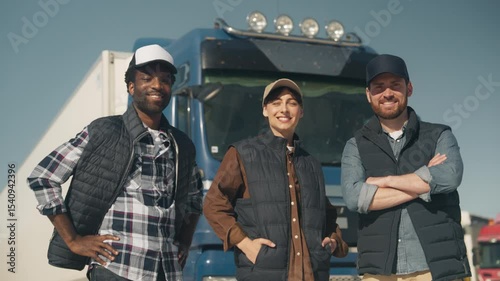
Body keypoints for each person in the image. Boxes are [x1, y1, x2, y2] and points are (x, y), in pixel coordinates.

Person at [27, 44, 203, 281]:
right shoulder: (104, 131)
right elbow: (44, 177)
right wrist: (73, 240)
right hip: (117, 267)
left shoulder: (182, 144)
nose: (157, 86)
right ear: (131, 87)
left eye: (165, 80)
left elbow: (194, 200)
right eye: (147, 78)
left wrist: (184, 241)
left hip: (167, 271)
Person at [340, 54, 470, 281]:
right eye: (379, 87)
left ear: (409, 88)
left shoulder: (439, 135)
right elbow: (354, 198)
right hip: (380, 273)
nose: (387, 93)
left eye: (395, 85)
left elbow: (449, 177)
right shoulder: (355, 146)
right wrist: (423, 181)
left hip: (438, 270)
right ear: (368, 95)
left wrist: (384, 181)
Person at [203, 78, 348, 281]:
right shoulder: (243, 153)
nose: (284, 109)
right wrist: (246, 245)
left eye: (292, 103)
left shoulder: (311, 163)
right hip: (263, 274)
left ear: (301, 111)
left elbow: (326, 214)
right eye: (276, 102)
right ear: (265, 110)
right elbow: (213, 204)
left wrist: (333, 241)